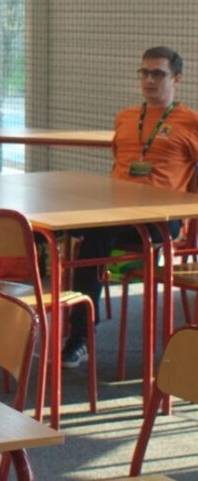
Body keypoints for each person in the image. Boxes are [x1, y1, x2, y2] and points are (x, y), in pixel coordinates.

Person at [62, 46, 198, 367]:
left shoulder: (191, 122)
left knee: (95, 237)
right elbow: (120, 166)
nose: (149, 80)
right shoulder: (125, 117)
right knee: (64, 227)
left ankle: (80, 336)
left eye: (158, 74)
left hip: (160, 220)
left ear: (176, 79)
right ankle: (64, 322)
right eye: (144, 73)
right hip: (116, 211)